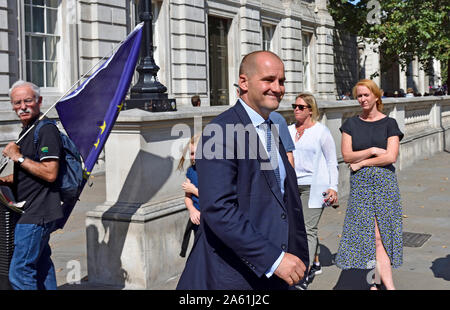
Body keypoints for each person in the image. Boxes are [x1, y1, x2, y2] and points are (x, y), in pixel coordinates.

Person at [176, 50, 309, 290]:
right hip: (235, 275)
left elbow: (279, 197)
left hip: (275, 272)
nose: (278, 88)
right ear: (244, 82)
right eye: (268, 80)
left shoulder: (270, 127)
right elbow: (219, 209)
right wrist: (274, 260)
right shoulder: (220, 132)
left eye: (282, 81)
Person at [335, 79, 403, 290]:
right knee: (369, 236)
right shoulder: (351, 124)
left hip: (384, 184)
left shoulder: (389, 123)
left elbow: (391, 156)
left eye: (366, 95)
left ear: (376, 96)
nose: (362, 99)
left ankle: (383, 285)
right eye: (359, 96)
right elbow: (347, 155)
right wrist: (373, 149)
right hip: (361, 186)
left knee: (380, 235)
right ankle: (375, 283)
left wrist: (362, 161)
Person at [0, 80, 63, 290]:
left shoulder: (46, 130)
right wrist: (6, 179)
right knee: (42, 266)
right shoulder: (27, 130)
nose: (22, 106)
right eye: (17, 102)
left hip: (37, 213)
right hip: (34, 209)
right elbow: (31, 173)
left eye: (28, 100)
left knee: (20, 272)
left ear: (39, 101)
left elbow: (50, 173)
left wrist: (17, 157)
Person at [287, 93, 339, 290]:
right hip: (292, 186)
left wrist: (333, 187)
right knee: (295, 227)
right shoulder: (289, 130)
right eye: (295, 106)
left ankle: (303, 275)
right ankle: (315, 262)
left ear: (310, 110)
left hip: (315, 186)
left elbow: (332, 161)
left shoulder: (321, 132)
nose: (296, 109)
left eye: (301, 106)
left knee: (308, 229)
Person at [178, 134, 201, 258]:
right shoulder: (191, 171)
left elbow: (213, 198)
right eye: (191, 153)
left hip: (212, 220)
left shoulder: (213, 172)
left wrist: (194, 190)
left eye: (197, 152)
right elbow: (187, 197)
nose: (193, 157)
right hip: (197, 220)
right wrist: (192, 210)